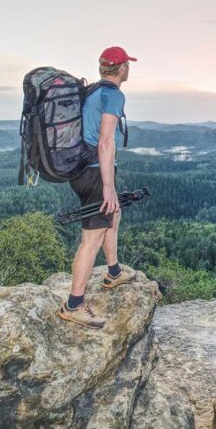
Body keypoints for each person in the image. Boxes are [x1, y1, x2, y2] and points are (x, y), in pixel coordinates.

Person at [57, 46, 137, 328]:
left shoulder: (91, 91)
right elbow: (106, 141)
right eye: (128, 65)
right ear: (123, 68)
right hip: (94, 173)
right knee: (91, 240)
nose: (129, 69)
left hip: (80, 169)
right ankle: (74, 304)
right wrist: (108, 186)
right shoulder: (113, 95)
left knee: (113, 216)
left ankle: (113, 272)